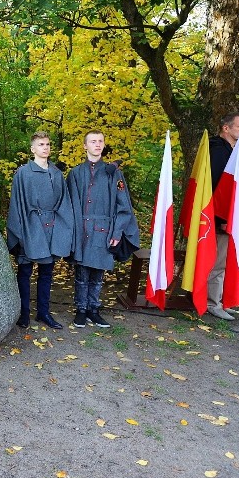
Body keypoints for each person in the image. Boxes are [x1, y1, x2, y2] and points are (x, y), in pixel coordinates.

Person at [66, 130, 139, 329]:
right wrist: (72, 233)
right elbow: (69, 206)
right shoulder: (75, 173)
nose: (97, 145)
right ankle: (81, 310)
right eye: (93, 141)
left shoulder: (114, 173)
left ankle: (94, 310)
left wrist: (117, 232)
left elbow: (123, 206)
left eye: (100, 141)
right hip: (81, 230)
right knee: (81, 274)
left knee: (98, 274)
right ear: (85, 146)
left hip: (104, 230)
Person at [6, 131, 74, 330]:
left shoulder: (56, 173)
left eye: (48, 144)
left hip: (51, 227)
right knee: (25, 271)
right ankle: (24, 313)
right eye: (41, 144)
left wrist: (63, 227)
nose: (45, 148)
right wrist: (18, 233)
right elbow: (16, 205)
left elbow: (64, 203)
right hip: (30, 226)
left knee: (47, 272)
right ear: (32, 148)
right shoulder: (23, 173)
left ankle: (43, 312)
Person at [207, 113, 239, 320]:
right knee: (218, 262)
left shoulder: (232, 151)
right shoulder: (218, 151)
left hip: (232, 217)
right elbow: (218, 188)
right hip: (221, 218)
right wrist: (224, 218)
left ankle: (220, 301)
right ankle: (212, 303)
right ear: (226, 128)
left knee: (225, 261)